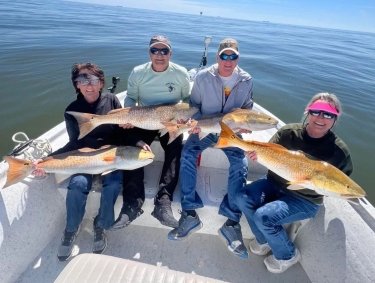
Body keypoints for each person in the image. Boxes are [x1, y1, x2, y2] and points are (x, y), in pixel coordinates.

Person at [34, 63, 142, 261]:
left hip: (111, 155)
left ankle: (101, 224)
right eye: (82, 80)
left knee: (113, 184)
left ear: (101, 83)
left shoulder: (111, 100)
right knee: (77, 185)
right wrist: (46, 161)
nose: (89, 85)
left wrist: (137, 140)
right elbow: (73, 143)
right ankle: (71, 230)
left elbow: (122, 131)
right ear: (77, 85)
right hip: (84, 157)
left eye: (93, 80)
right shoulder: (72, 111)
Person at [236, 92, 353, 273]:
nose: (321, 118)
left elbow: (342, 182)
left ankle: (287, 255)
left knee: (263, 217)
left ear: (335, 118)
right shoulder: (288, 133)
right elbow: (266, 152)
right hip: (274, 183)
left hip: (305, 199)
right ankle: (264, 240)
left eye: (328, 114)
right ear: (308, 112)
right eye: (316, 112)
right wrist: (255, 156)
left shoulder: (339, 152)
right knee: (241, 197)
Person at [167, 38, 254, 259]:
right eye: (224, 55)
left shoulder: (246, 80)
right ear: (217, 57)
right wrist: (195, 125)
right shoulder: (204, 77)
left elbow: (248, 107)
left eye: (232, 56)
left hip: (230, 133)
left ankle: (232, 222)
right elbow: (194, 106)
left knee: (241, 163)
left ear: (238, 58)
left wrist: (245, 125)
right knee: (187, 154)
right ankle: (189, 213)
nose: (228, 60)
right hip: (205, 128)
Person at [111, 35, 191, 229]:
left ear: (170, 53)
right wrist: (129, 117)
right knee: (130, 144)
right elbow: (131, 98)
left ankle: (163, 203)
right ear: (149, 53)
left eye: (164, 51)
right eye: (155, 50)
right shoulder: (138, 72)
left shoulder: (181, 73)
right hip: (144, 118)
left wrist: (182, 119)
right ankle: (132, 204)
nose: (159, 55)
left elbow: (187, 99)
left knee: (175, 149)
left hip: (169, 120)